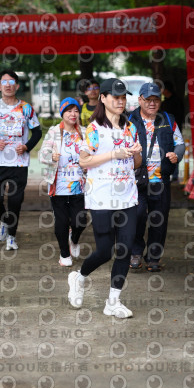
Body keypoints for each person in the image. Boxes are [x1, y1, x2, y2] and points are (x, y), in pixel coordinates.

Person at [67, 78, 142, 318]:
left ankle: (113, 301)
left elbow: (136, 164)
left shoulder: (130, 128)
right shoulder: (94, 129)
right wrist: (113, 154)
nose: (120, 101)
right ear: (103, 98)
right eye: (115, 97)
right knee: (105, 251)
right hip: (101, 197)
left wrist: (136, 154)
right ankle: (79, 277)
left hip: (127, 196)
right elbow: (84, 161)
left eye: (123, 97)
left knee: (125, 249)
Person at [0, 69, 42, 251]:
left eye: (11, 82)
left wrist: (26, 147)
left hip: (19, 163)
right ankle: (5, 222)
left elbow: (37, 132)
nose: (8, 85)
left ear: (17, 86)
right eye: (4, 82)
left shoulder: (26, 108)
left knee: (15, 202)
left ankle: (11, 237)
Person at [129, 82, 184, 273]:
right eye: (148, 100)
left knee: (159, 220)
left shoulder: (168, 119)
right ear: (140, 100)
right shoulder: (129, 120)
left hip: (160, 180)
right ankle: (135, 252)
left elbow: (180, 143)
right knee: (137, 216)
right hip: (136, 180)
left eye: (156, 100)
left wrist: (177, 154)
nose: (152, 103)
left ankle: (153, 257)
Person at [39, 97, 88, 266]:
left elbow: (92, 153)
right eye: (69, 111)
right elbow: (42, 154)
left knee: (80, 220)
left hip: (79, 184)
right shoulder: (54, 132)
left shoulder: (84, 132)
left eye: (76, 111)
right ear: (62, 113)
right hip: (58, 184)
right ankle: (64, 254)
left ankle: (74, 239)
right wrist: (51, 156)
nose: (73, 114)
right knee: (61, 221)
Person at [161, 80, 185, 182]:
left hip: (174, 130)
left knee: (175, 150)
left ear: (166, 90)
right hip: (167, 130)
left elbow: (179, 117)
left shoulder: (173, 102)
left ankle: (174, 174)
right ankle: (171, 174)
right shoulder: (166, 102)